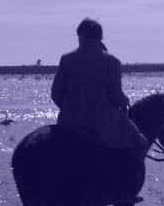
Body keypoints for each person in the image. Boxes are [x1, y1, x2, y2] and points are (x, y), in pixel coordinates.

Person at [51, 18, 148, 156]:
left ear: (81, 36)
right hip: (103, 127)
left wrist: (71, 109)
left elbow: (56, 94)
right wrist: (124, 101)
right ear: (100, 38)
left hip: (69, 123)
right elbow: (115, 96)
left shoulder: (66, 59)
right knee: (141, 143)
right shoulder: (111, 61)